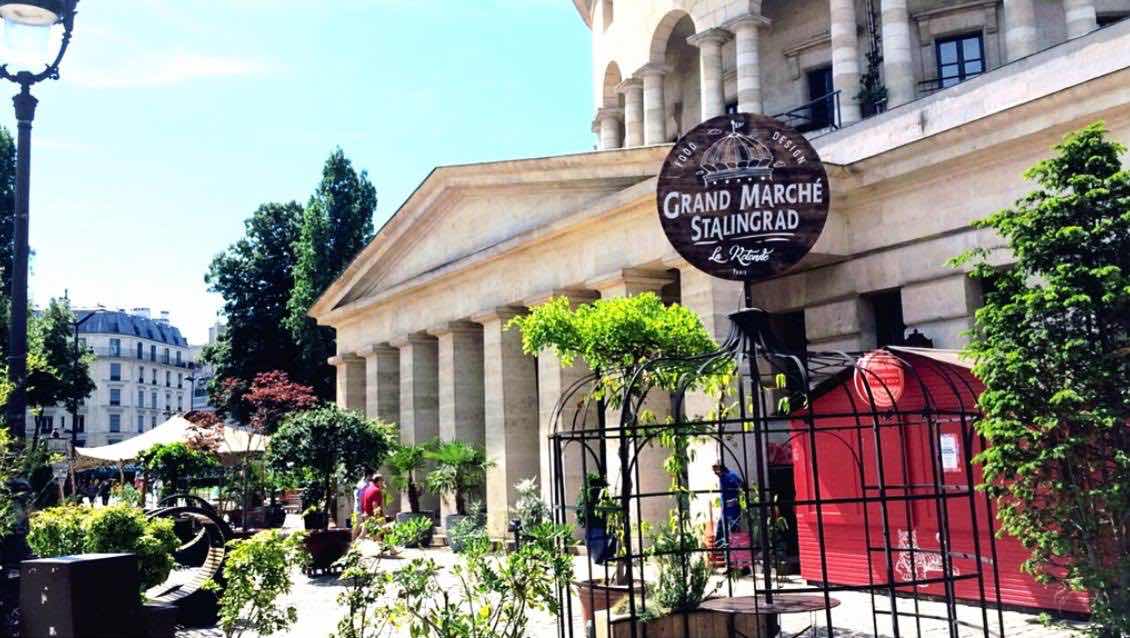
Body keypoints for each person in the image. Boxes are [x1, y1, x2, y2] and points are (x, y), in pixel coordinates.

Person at [713, 462, 743, 548]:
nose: (715, 473)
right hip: (727, 507)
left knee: (733, 527)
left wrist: (736, 498)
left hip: (732, 506)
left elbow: (741, 485)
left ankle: (730, 548)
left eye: (716, 471)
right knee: (723, 526)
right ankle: (720, 546)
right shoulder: (726, 476)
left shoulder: (729, 476)